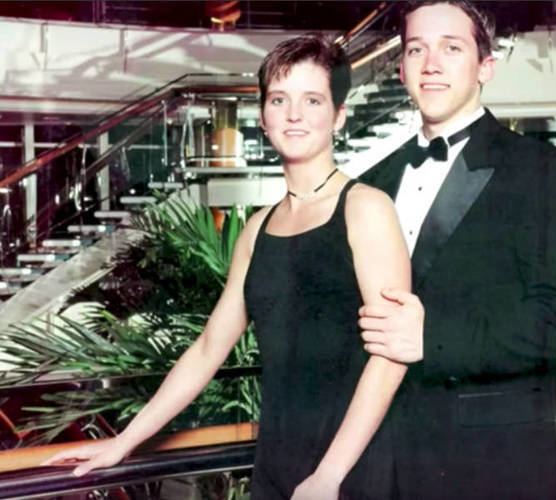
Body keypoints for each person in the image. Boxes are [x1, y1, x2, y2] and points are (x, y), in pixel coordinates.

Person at [43, 34, 411, 500]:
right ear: (263, 115)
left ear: (338, 115)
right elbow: (209, 348)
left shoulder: (365, 208)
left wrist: (330, 475)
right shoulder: (257, 229)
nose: (294, 114)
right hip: (276, 465)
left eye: (312, 100)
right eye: (280, 99)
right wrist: (123, 442)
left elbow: (389, 356)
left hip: (352, 468)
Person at [358, 2, 556, 498]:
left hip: (495, 465)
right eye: (416, 49)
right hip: (385, 462)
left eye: (452, 48)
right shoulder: (371, 183)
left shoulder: (542, 171)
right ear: (401, 68)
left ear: (484, 66)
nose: (431, 63)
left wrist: (436, 338)